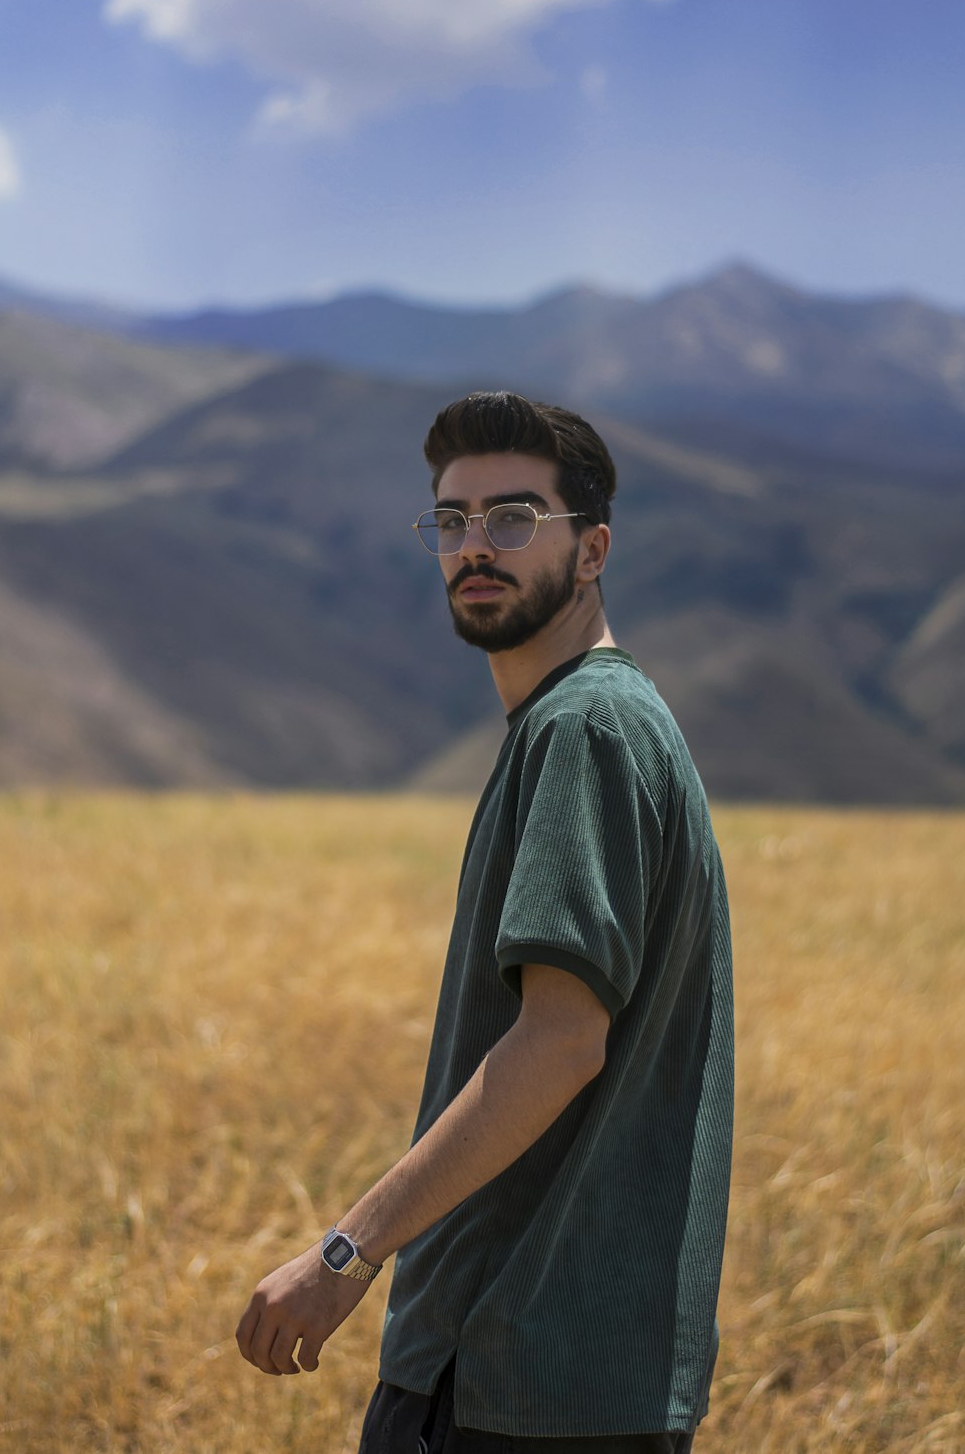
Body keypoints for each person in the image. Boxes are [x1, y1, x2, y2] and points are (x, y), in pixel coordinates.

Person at [236, 391, 734, 1452]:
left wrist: (345, 1257)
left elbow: (560, 1039)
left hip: (516, 1374)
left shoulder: (585, 729)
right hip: (562, 1371)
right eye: (451, 522)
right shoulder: (583, 722)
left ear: (592, 549)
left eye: (513, 518)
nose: (474, 546)